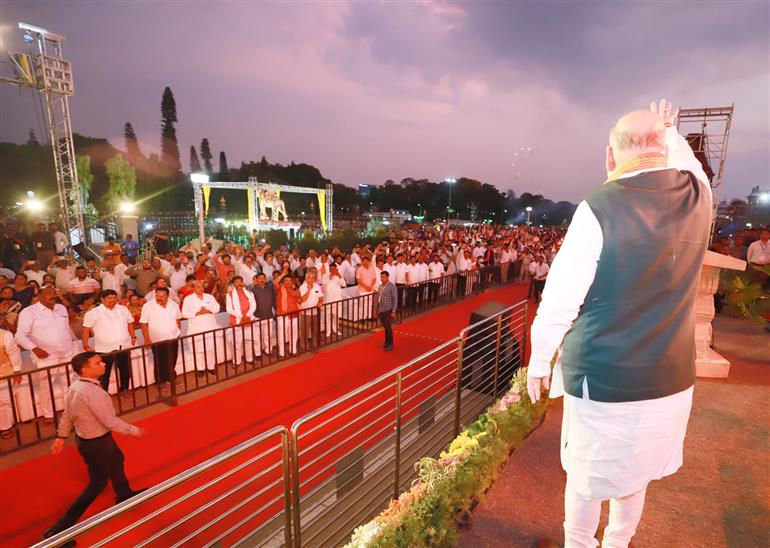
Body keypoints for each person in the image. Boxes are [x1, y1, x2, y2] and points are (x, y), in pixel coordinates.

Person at [527, 99, 711, 548]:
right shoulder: (699, 195)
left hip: (604, 381)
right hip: (671, 380)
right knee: (637, 475)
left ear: (609, 156)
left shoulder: (598, 206)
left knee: (587, 478)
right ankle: (618, 543)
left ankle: (581, 544)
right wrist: (668, 130)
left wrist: (539, 358)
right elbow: (691, 164)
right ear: (663, 148)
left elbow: (558, 300)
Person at [43, 352, 147, 541]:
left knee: (117, 459)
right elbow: (110, 421)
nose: (103, 364)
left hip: (90, 440)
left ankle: (123, 493)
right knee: (96, 485)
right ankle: (58, 531)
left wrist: (62, 436)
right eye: (98, 363)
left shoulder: (76, 386)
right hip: (97, 443)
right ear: (85, 369)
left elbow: (68, 414)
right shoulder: (92, 392)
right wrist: (134, 430)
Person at [16, 286, 75, 422]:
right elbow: (20, 336)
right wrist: (35, 348)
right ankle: (48, 414)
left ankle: (71, 411)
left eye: (54, 292)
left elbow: (65, 329)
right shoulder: (29, 312)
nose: (52, 295)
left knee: (70, 383)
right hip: (46, 355)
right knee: (46, 385)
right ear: (39, 296)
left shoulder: (61, 308)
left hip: (66, 352)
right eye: (48, 293)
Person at [82, 290, 136, 396]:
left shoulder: (123, 309)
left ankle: (124, 390)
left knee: (125, 371)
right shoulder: (93, 313)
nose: (112, 300)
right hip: (104, 349)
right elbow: (86, 330)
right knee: (103, 374)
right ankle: (103, 395)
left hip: (123, 346)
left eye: (114, 298)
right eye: (109, 298)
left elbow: (130, 323)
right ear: (102, 299)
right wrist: (85, 345)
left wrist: (133, 336)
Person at [138, 287, 181, 394]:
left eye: (162, 296)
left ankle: (171, 377)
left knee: (173, 358)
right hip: (158, 339)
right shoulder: (148, 306)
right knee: (160, 360)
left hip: (173, 336)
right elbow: (143, 323)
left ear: (168, 296)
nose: (159, 298)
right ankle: (160, 381)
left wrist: (178, 331)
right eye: (157, 295)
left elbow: (177, 319)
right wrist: (146, 338)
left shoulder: (174, 304)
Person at [181, 280, 220, 375]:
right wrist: (197, 313)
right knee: (198, 350)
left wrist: (208, 310)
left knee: (210, 349)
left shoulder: (209, 297)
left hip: (210, 327)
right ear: (193, 288)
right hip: (196, 329)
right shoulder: (188, 299)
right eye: (198, 287)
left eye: (202, 286)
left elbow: (217, 308)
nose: (201, 288)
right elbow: (184, 313)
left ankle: (211, 367)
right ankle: (200, 369)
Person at [225, 276, 257, 366]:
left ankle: (249, 359)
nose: (239, 284)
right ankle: (236, 361)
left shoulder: (249, 293)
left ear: (243, 283)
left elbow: (254, 305)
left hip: (248, 319)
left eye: (240, 282)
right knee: (236, 343)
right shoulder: (229, 294)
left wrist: (247, 316)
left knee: (249, 341)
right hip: (236, 321)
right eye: (236, 282)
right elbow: (229, 309)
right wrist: (241, 316)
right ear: (233, 284)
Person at [0, 327, 22, 439]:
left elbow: (14, 353)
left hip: (3, 374)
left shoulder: (5, 335)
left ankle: (5, 427)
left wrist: (17, 370)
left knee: (4, 402)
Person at [275, 275, 300, 357]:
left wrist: (295, 293)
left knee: (294, 334)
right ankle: (281, 353)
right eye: (286, 280)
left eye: (290, 280)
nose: (288, 282)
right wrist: (283, 273)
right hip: (282, 315)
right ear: (283, 282)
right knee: (282, 334)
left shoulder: (295, 289)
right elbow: (274, 282)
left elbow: (299, 300)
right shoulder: (279, 288)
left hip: (294, 315)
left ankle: (293, 350)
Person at [298, 270, 323, 350]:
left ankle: (315, 345)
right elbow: (302, 299)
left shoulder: (317, 286)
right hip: (305, 312)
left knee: (315, 329)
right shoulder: (302, 287)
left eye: (313, 278)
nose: (311, 279)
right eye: (309, 278)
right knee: (305, 330)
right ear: (306, 278)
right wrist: (309, 290)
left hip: (315, 312)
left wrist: (320, 302)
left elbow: (321, 297)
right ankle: (304, 346)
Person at [321, 262, 346, 337]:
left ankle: (335, 329)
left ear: (336, 269)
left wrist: (339, 276)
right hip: (328, 299)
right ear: (329, 269)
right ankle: (328, 331)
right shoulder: (325, 276)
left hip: (336, 299)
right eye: (331, 268)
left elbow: (344, 284)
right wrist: (330, 277)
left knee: (336, 315)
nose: (332, 270)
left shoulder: (338, 276)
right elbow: (324, 286)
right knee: (328, 316)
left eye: (333, 269)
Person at [377, 271, 397, 351]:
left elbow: (395, 299)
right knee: (385, 326)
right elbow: (379, 298)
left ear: (387, 277)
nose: (382, 278)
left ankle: (391, 344)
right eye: (381, 277)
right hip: (381, 309)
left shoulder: (392, 286)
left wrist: (394, 311)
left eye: (383, 277)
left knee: (388, 327)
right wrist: (377, 308)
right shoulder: (380, 286)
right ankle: (386, 342)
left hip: (388, 309)